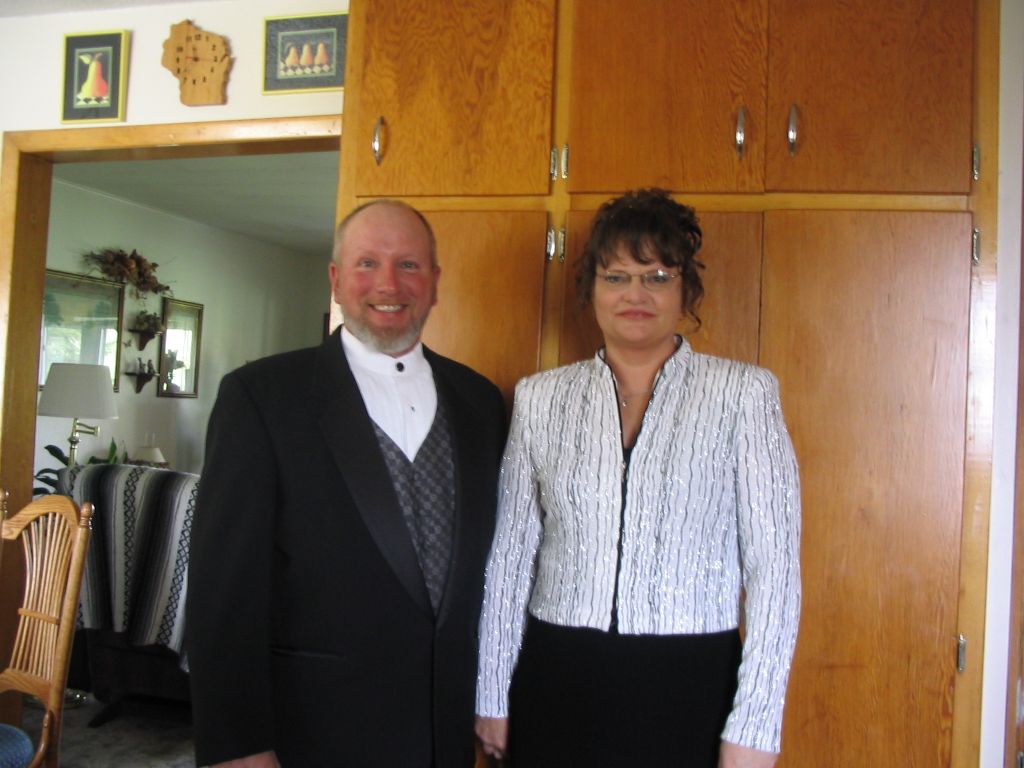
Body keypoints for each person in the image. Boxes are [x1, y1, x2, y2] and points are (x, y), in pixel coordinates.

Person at [474, 189, 801, 768]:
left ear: (684, 289)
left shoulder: (744, 395)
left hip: (690, 681)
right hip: (557, 677)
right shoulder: (541, 400)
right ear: (592, 290)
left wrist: (756, 723)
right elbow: (510, 559)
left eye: (656, 276)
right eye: (616, 276)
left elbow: (775, 570)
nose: (635, 295)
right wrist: (492, 691)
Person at [186, 199, 507, 767]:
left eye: (409, 265)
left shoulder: (481, 401)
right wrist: (238, 744)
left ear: (434, 283)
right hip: (313, 733)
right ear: (336, 280)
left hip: (447, 733)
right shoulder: (261, 398)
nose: (389, 282)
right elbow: (224, 591)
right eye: (367, 264)